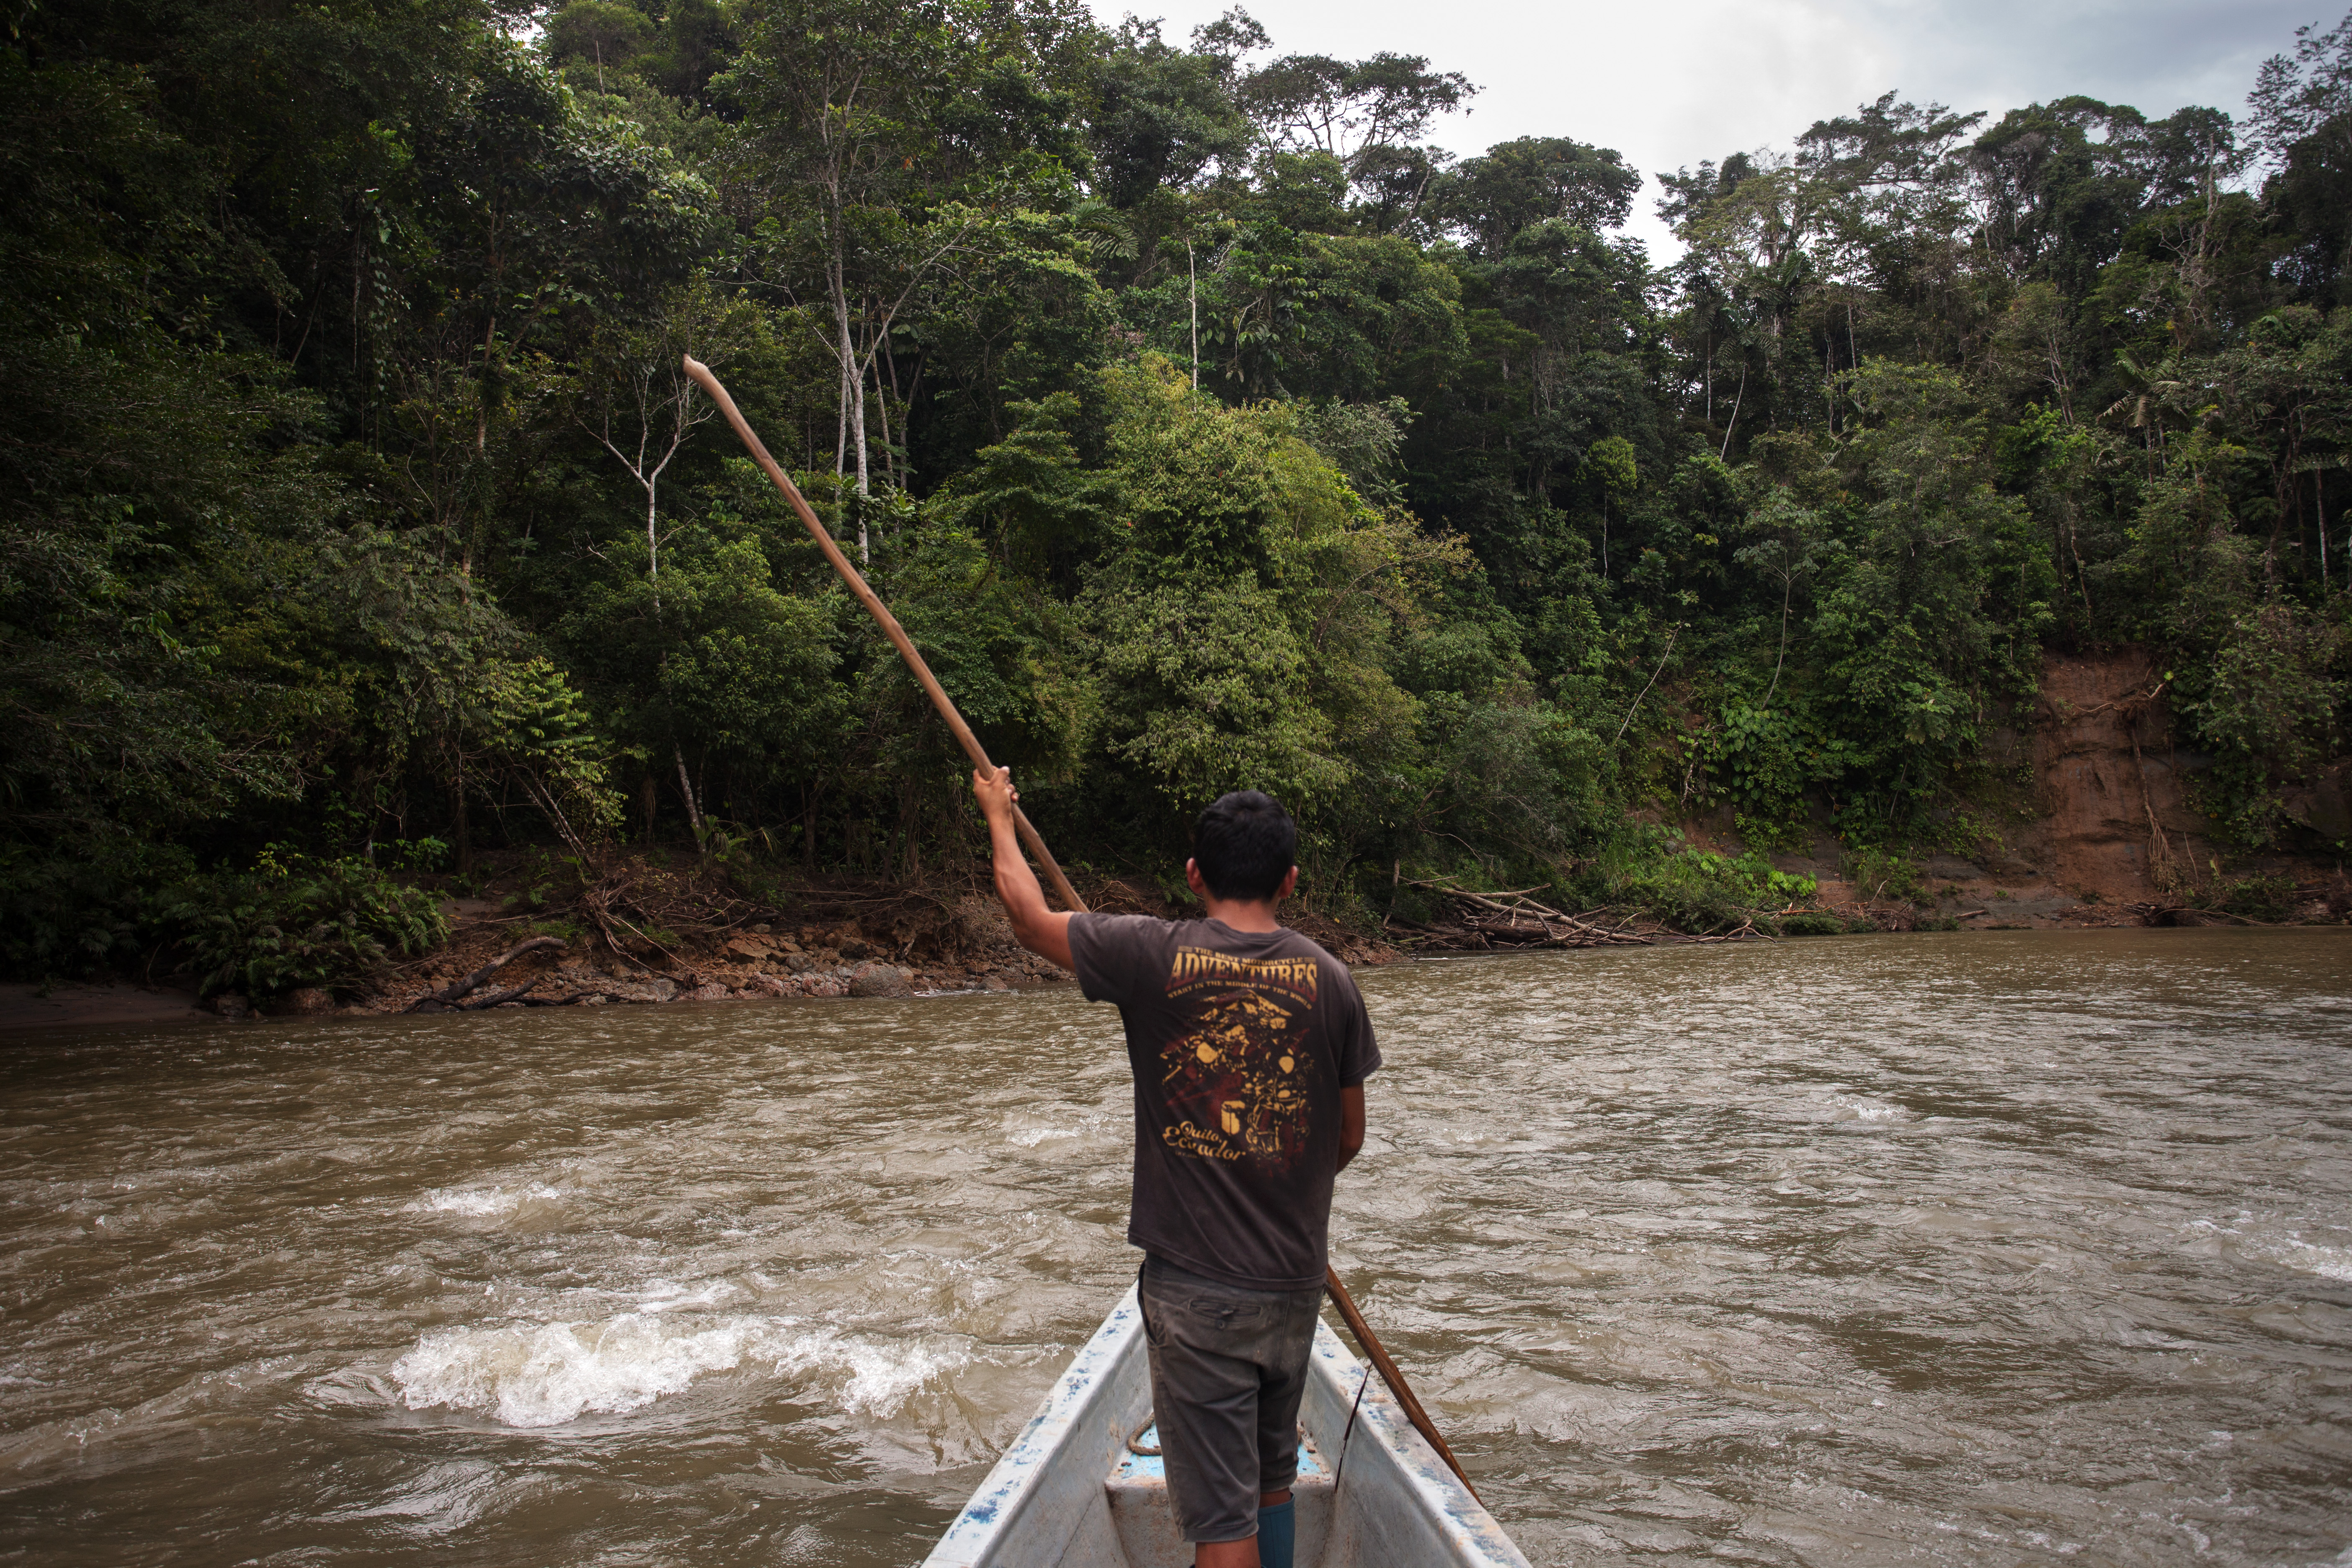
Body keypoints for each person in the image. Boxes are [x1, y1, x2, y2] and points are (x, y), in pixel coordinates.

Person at [972, 767, 1380, 1568]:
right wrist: (1276, 1183)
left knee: (1223, 1527)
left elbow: (1027, 918)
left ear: (1194, 875)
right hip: (1293, 1287)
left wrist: (997, 816)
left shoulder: (1148, 953)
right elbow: (1350, 1136)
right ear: (1291, 881)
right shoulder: (1333, 981)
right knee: (1270, 1486)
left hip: (1199, 1296)